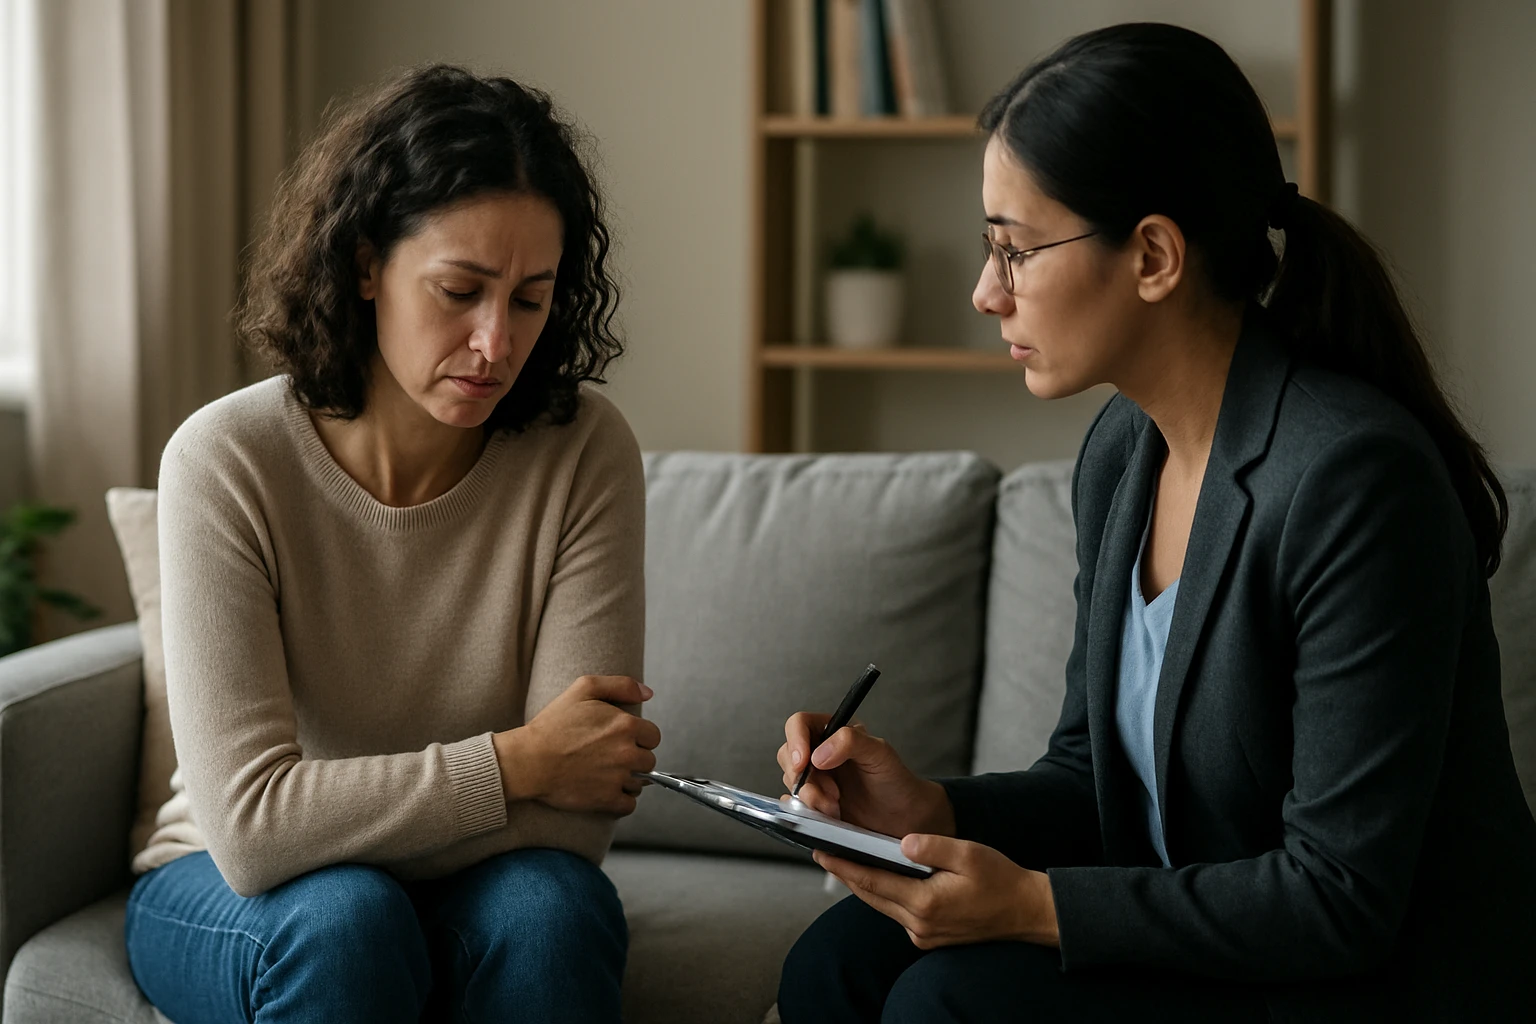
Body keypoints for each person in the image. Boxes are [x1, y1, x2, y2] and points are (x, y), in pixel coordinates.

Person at [775, 23, 1536, 1024]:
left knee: (949, 1001)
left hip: (1372, 975)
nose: (985, 291)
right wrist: (931, 809)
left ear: (1153, 255)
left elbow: (1339, 897)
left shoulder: (1354, 480)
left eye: (1015, 249)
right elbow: (1097, 778)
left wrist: (1035, 903)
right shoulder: (1121, 453)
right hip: (1217, 937)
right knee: (836, 961)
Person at [123, 65, 659, 1024]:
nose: (496, 343)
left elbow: (575, 818)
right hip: (218, 884)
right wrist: (515, 765)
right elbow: (248, 833)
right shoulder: (227, 459)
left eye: (531, 300)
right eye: (460, 291)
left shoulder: (582, 450)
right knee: (346, 923)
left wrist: (331, 814)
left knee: (552, 912)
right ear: (367, 265)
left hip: (477, 883)